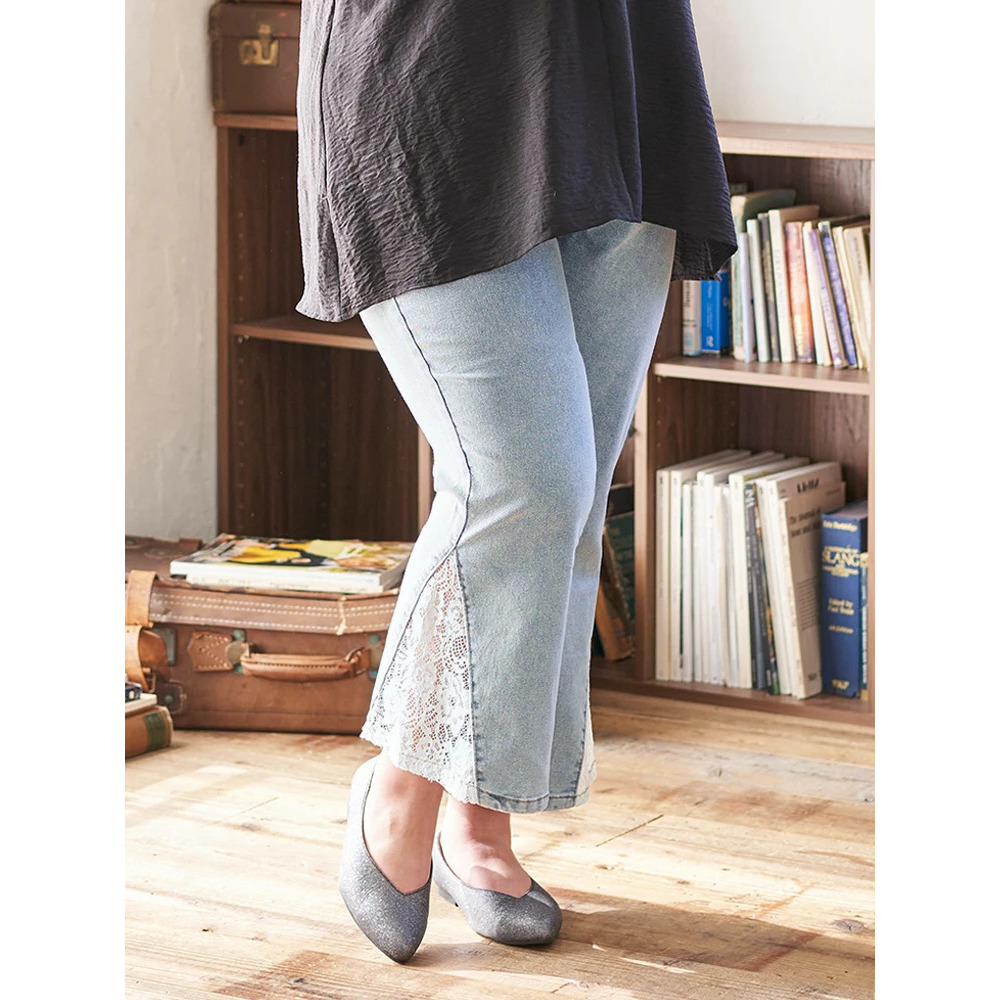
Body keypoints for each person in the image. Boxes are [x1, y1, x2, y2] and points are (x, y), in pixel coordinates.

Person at [295, 0, 736, 963]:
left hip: (619, 76)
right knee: (523, 482)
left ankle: (479, 815)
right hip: (429, 90)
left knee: (568, 502)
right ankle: (401, 784)